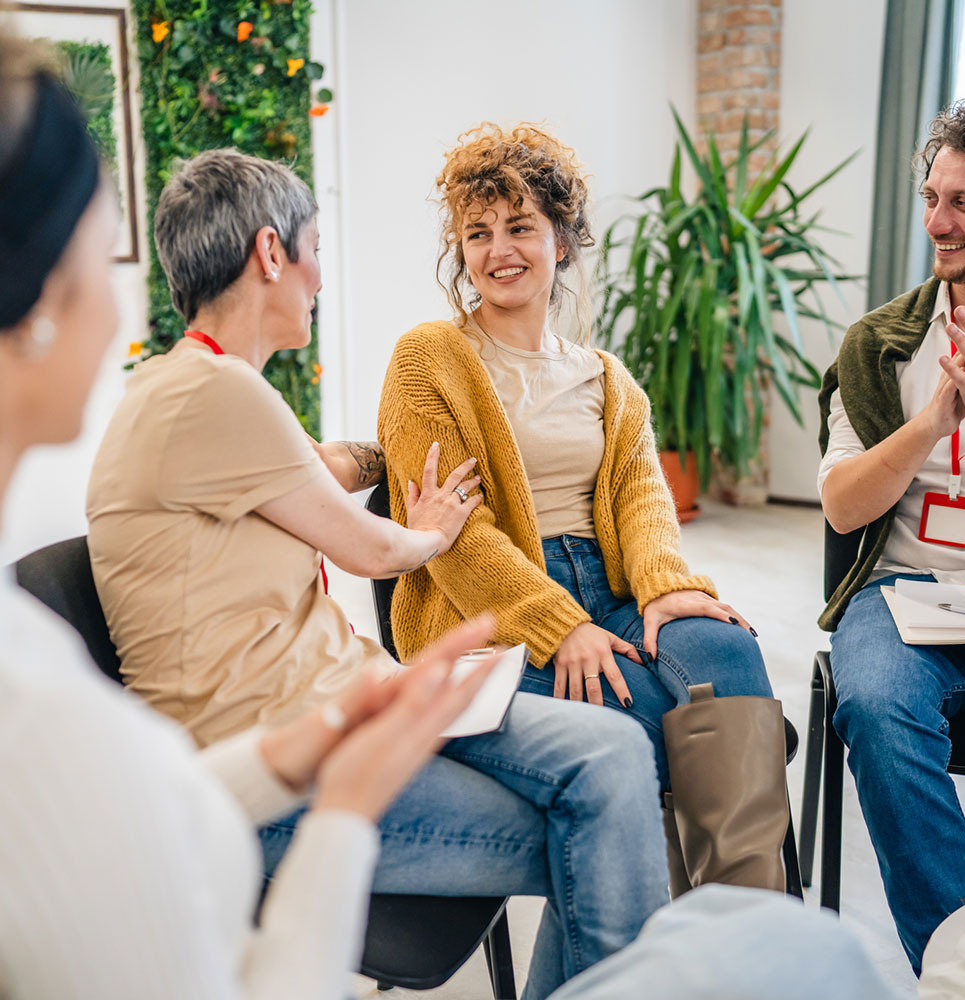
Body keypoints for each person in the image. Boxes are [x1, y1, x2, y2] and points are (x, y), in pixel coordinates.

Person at [85, 145, 671, 999]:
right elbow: (375, 550)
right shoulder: (214, 395)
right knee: (605, 810)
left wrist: (388, 457)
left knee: (614, 755)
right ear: (272, 254)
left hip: (354, 703)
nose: (321, 279)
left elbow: (317, 470)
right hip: (272, 771)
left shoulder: (202, 390)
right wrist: (428, 529)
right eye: (315, 249)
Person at [0, 32, 506, 1000]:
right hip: (265, 755)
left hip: (282, 732)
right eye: (94, 259)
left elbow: (297, 475)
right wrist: (343, 813)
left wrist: (291, 754)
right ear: (38, 306)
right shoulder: (37, 722)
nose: (120, 311)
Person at [377, 122, 787, 893]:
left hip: (615, 590)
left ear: (561, 239)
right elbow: (458, 537)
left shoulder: (607, 377)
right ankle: (697, 927)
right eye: (478, 232)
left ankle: (750, 937)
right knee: (663, 733)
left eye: (521, 226)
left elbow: (641, 497)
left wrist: (666, 583)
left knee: (728, 656)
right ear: (460, 252)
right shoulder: (427, 357)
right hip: (491, 614)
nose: (500, 249)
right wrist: (559, 626)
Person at [819, 95, 965, 974]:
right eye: (932, 197)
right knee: (879, 706)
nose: (938, 221)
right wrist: (931, 422)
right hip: (904, 594)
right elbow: (844, 506)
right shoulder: (880, 343)